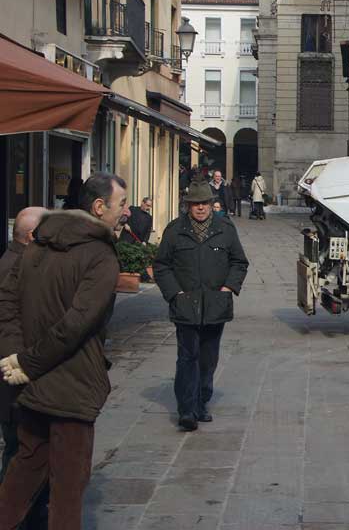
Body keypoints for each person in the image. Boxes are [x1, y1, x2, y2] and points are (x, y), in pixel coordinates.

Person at [0, 173, 128, 530]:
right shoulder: (101, 256)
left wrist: (17, 359)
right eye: (122, 205)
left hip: (31, 385)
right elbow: (76, 324)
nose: (126, 212)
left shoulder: (36, 246)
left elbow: (5, 304)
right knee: (69, 485)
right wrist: (24, 360)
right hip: (70, 386)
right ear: (99, 207)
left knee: (24, 470)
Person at [154, 181, 248, 432]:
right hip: (185, 305)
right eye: (195, 204)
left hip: (215, 305)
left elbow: (239, 262)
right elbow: (162, 266)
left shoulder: (225, 229)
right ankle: (187, 409)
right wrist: (175, 293)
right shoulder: (175, 231)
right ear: (188, 206)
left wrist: (228, 288)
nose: (200, 208)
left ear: (211, 204)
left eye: (204, 203)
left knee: (208, 358)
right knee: (187, 357)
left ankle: (201, 401)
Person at [0, 208, 47, 530]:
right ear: (32, 237)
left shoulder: (17, 262)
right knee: (22, 453)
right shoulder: (16, 269)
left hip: (19, 378)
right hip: (17, 379)